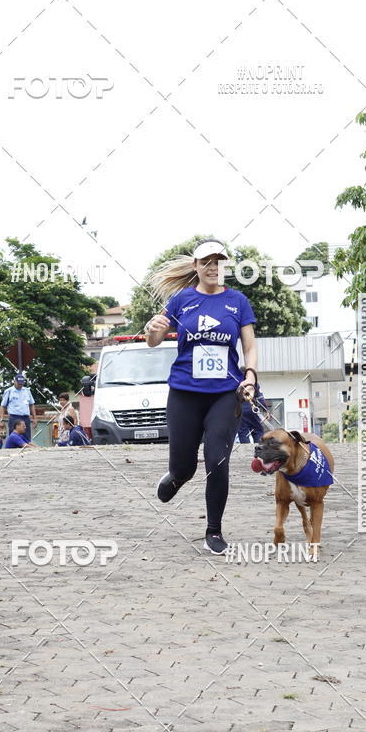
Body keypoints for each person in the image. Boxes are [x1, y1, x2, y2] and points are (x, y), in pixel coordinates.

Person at [145, 238, 258, 555]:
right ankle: (177, 477)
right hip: (184, 392)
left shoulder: (238, 301)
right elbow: (154, 338)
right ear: (195, 266)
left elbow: (249, 346)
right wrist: (152, 327)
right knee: (185, 466)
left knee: (216, 460)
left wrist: (250, 375)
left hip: (225, 392)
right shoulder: (182, 300)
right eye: (206, 262)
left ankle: (214, 530)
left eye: (219, 261)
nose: (213, 267)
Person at [0, 373, 37, 442]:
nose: (20, 385)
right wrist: (1, 420)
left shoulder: (27, 391)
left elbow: (31, 405)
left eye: (22, 383)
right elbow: (2, 406)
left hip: (25, 418)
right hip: (14, 418)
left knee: (27, 439)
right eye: (19, 383)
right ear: (14, 381)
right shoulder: (9, 391)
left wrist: (34, 419)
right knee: (14, 438)